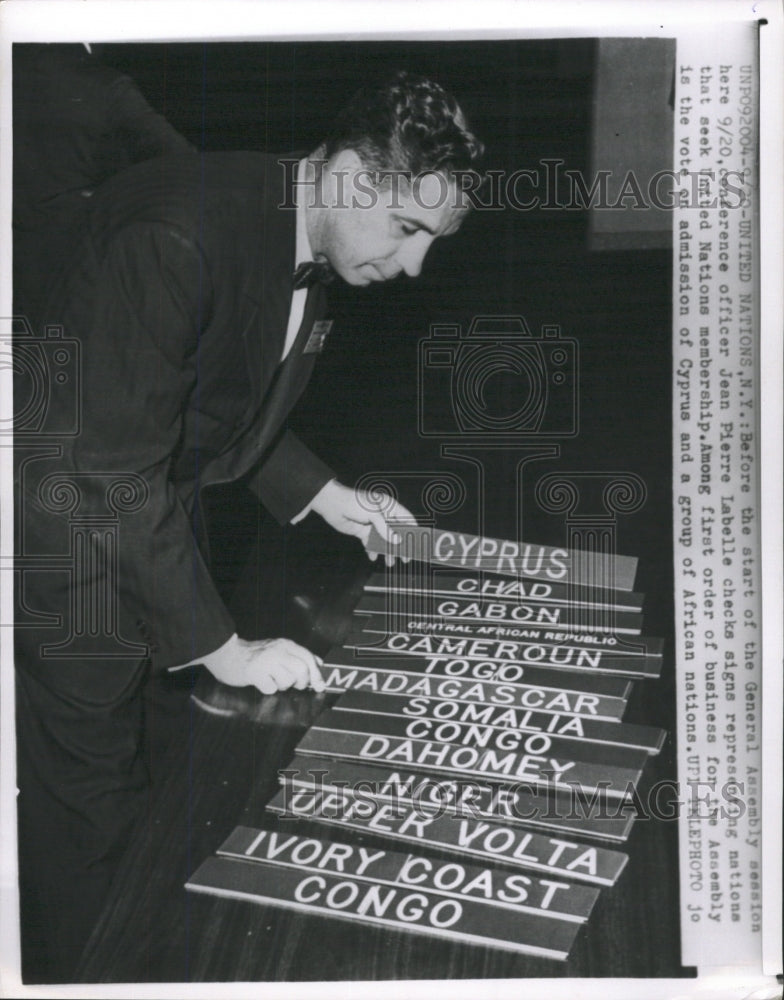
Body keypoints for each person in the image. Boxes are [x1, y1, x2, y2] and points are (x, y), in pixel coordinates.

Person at [13, 69, 483, 981]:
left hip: (143, 526)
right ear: (350, 175)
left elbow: (214, 398)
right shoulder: (179, 234)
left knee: (148, 799)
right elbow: (108, 473)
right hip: (72, 561)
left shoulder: (279, 213)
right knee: (93, 833)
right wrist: (223, 647)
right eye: (409, 230)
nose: (415, 265)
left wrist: (327, 496)